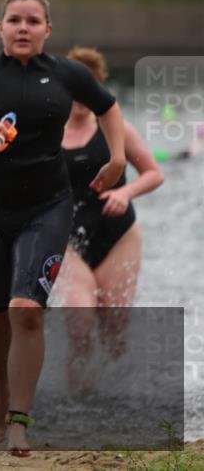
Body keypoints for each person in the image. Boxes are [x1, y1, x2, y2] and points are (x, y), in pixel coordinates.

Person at [0, 0, 125, 456]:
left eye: (33, 21)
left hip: (47, 206)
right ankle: (0, 395)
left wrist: (117, 158)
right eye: (14, 19)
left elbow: (109, 106)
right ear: (0, 28)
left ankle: (19, 420)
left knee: (26, 310)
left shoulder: (66, 74)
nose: (23, 28)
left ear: (46, 31)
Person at [54, 47, 164, 390]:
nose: (82, 97)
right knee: (80, 323)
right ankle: (78, 399)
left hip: (119, 237)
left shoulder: (117, 128)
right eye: (76, 86)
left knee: (115, 336)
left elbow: (154, 173)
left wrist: (125, 192)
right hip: (68, 240)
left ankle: (112, 395)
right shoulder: (49, 132)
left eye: (91, 87)